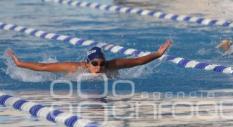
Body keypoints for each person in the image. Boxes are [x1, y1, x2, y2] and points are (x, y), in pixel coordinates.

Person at [6, 40, 172, 78]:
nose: (99, 67)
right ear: (87, 63)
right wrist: (19, 63)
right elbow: (42, 67)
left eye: (101, 63)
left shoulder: (112, 65)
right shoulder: (74, 68)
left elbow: (138, 61)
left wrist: (157, 54)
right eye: (95, 64)